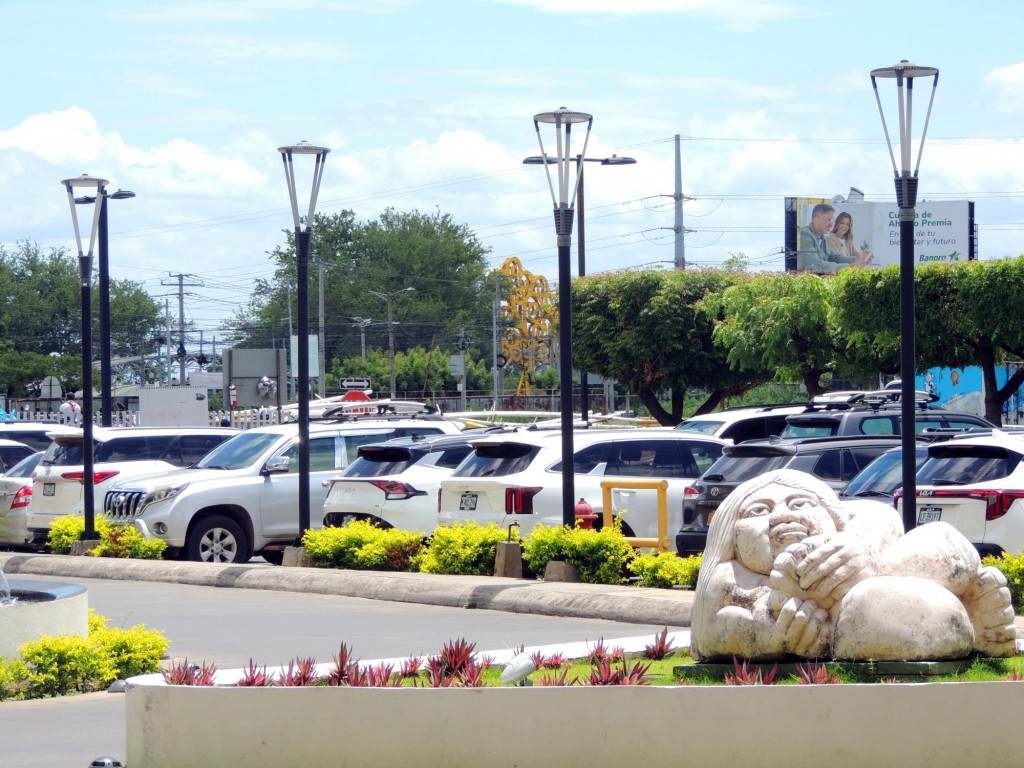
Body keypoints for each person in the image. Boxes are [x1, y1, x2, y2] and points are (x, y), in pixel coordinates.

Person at [690, 469, 1016, 661]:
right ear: (731, 535)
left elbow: (881, 516)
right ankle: (970, 628)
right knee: (868, 604)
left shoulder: (859, 532)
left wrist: (864, 552)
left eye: (800, 503)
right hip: (864, 619)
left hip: (886, 580)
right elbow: (711, 630)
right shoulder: (730, 577)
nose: (782, 515)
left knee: (940, 538)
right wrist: (769, 630)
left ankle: (969, 619)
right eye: (758, 510)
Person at [796, 203, 857, 273]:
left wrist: (857, 259)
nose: (832, 224)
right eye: (829, 219)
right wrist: (849, 267)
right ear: (818, 217)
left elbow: (835, 258)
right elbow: (816, 265)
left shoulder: (824, 238)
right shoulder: (805, 234)